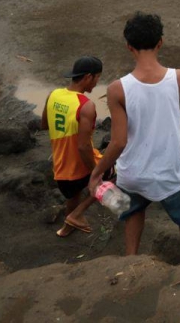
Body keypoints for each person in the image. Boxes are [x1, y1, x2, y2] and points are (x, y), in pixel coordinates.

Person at [90, 12, 180, 263]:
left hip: (133, 173)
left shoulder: (117, 89)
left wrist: (97, 172)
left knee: (132, 211)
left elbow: (118, 142)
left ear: (129, 46)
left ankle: (130, 260)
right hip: (169, 174)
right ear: (160, 42)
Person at [41, 56, 104, 237]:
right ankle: (79, 214)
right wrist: (95, 173)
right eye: (98, 78)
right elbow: (83, 147)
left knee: (73, 195)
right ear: (88, 77)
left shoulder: (53, 95)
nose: (97, 82)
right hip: (78, 168)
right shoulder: (86, 106)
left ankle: (65, 229)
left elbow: (44, 125)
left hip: (60, 169)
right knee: (113, 174)